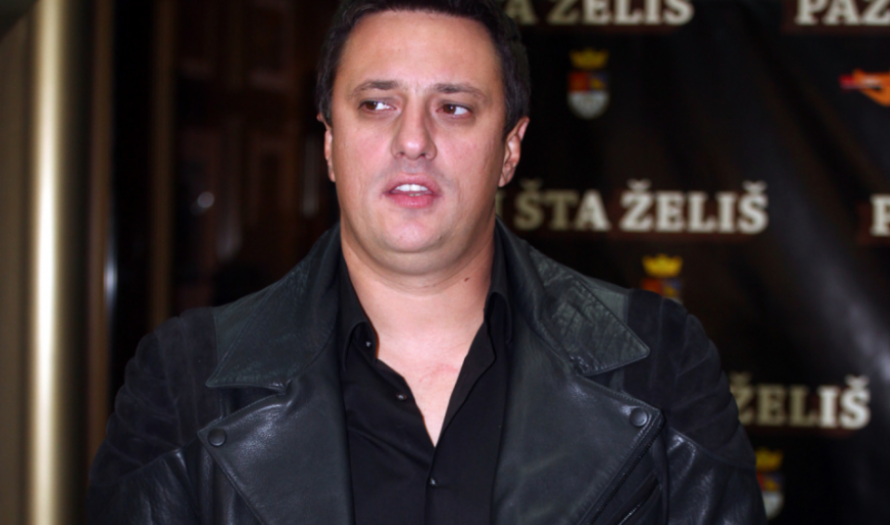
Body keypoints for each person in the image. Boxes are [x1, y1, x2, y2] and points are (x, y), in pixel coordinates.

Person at [87, 0, 766, 522]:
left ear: (510, 149)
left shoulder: (660, 363)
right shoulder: (184, 380)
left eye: (454, 107)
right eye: (377, 103)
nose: (413, 139)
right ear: (330, 143)